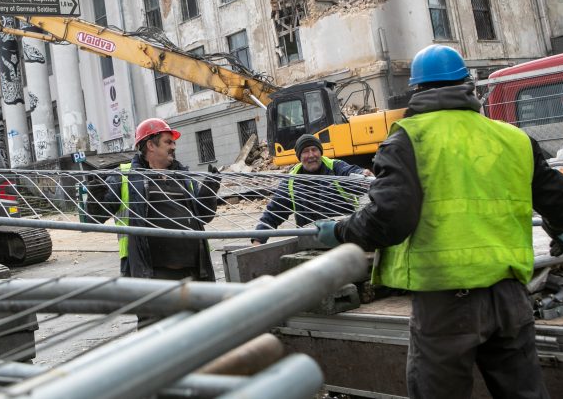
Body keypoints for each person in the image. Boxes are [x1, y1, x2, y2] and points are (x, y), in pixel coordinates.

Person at [312, 44, 563, 398]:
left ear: (417, 89)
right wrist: (557, 228)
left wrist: (341, 232)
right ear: (467, 85)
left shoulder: (410, 138)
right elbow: (561, 198)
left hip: (447, 303)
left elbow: (391, 219)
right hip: (510, 296)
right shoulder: (513, 138)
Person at [89, 118, 220, 283]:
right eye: (168, 142)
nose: (174, 146)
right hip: (151, 275)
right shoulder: (125, 176)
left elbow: (203, 216)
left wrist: (210, 189)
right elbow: (96, 216)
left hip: (195, 272)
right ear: (151, 145)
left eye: (173, 142)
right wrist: (96, 194)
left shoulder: (182, 176)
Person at [251, 134, 373, 245]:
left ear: (320, 152)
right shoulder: (291, 181)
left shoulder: (335, 167)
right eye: (305, 151)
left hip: (343, 240)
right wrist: (258, 239)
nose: (311, 155)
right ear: (299, 156)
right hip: (310, 243)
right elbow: (273, 213)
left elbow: (350, 173)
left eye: (314, 150)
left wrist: (362, 175)